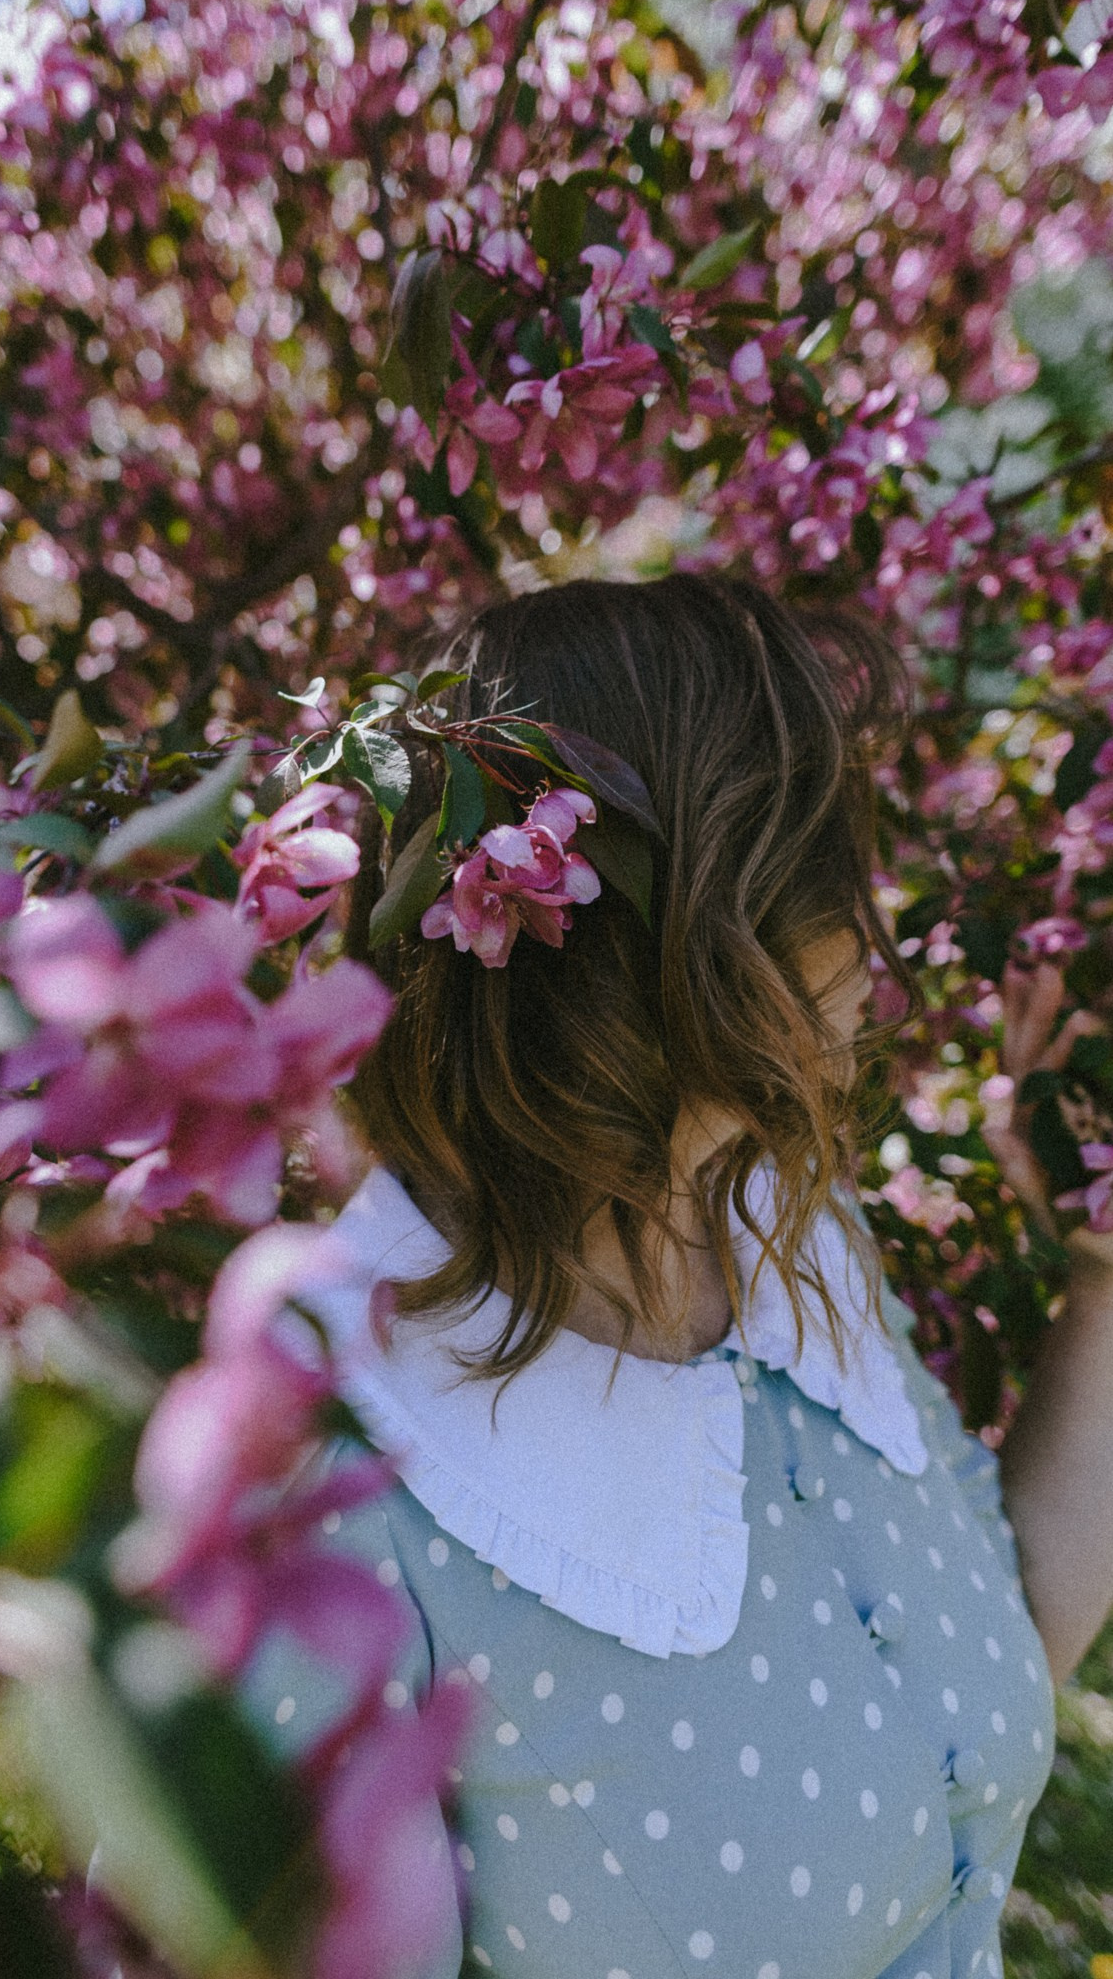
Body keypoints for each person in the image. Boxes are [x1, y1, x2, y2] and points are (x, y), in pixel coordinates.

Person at [244, 572, 1113, 1979]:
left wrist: (1105, 1279)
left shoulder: (779, 1226)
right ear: (699, 926)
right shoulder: (338, 1461)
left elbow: (984, 1677)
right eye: (832, 857)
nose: (875, 923)